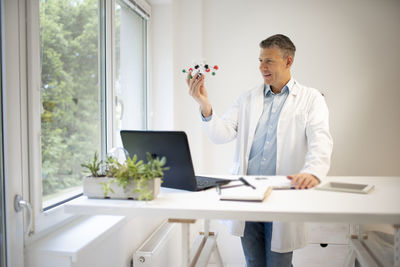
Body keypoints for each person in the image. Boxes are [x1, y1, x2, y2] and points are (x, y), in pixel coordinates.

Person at [186, 34, 333, 267]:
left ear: (288, 61)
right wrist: (205, 105)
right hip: (248, 194)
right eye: (260, 60)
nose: (262, 67)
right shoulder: (248, 98)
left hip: (282, 195)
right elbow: (221, 134)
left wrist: (313, 171)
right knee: (253, 261)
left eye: (269, 61)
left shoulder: (310, 99)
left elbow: (321, 140)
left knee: (279, 263)